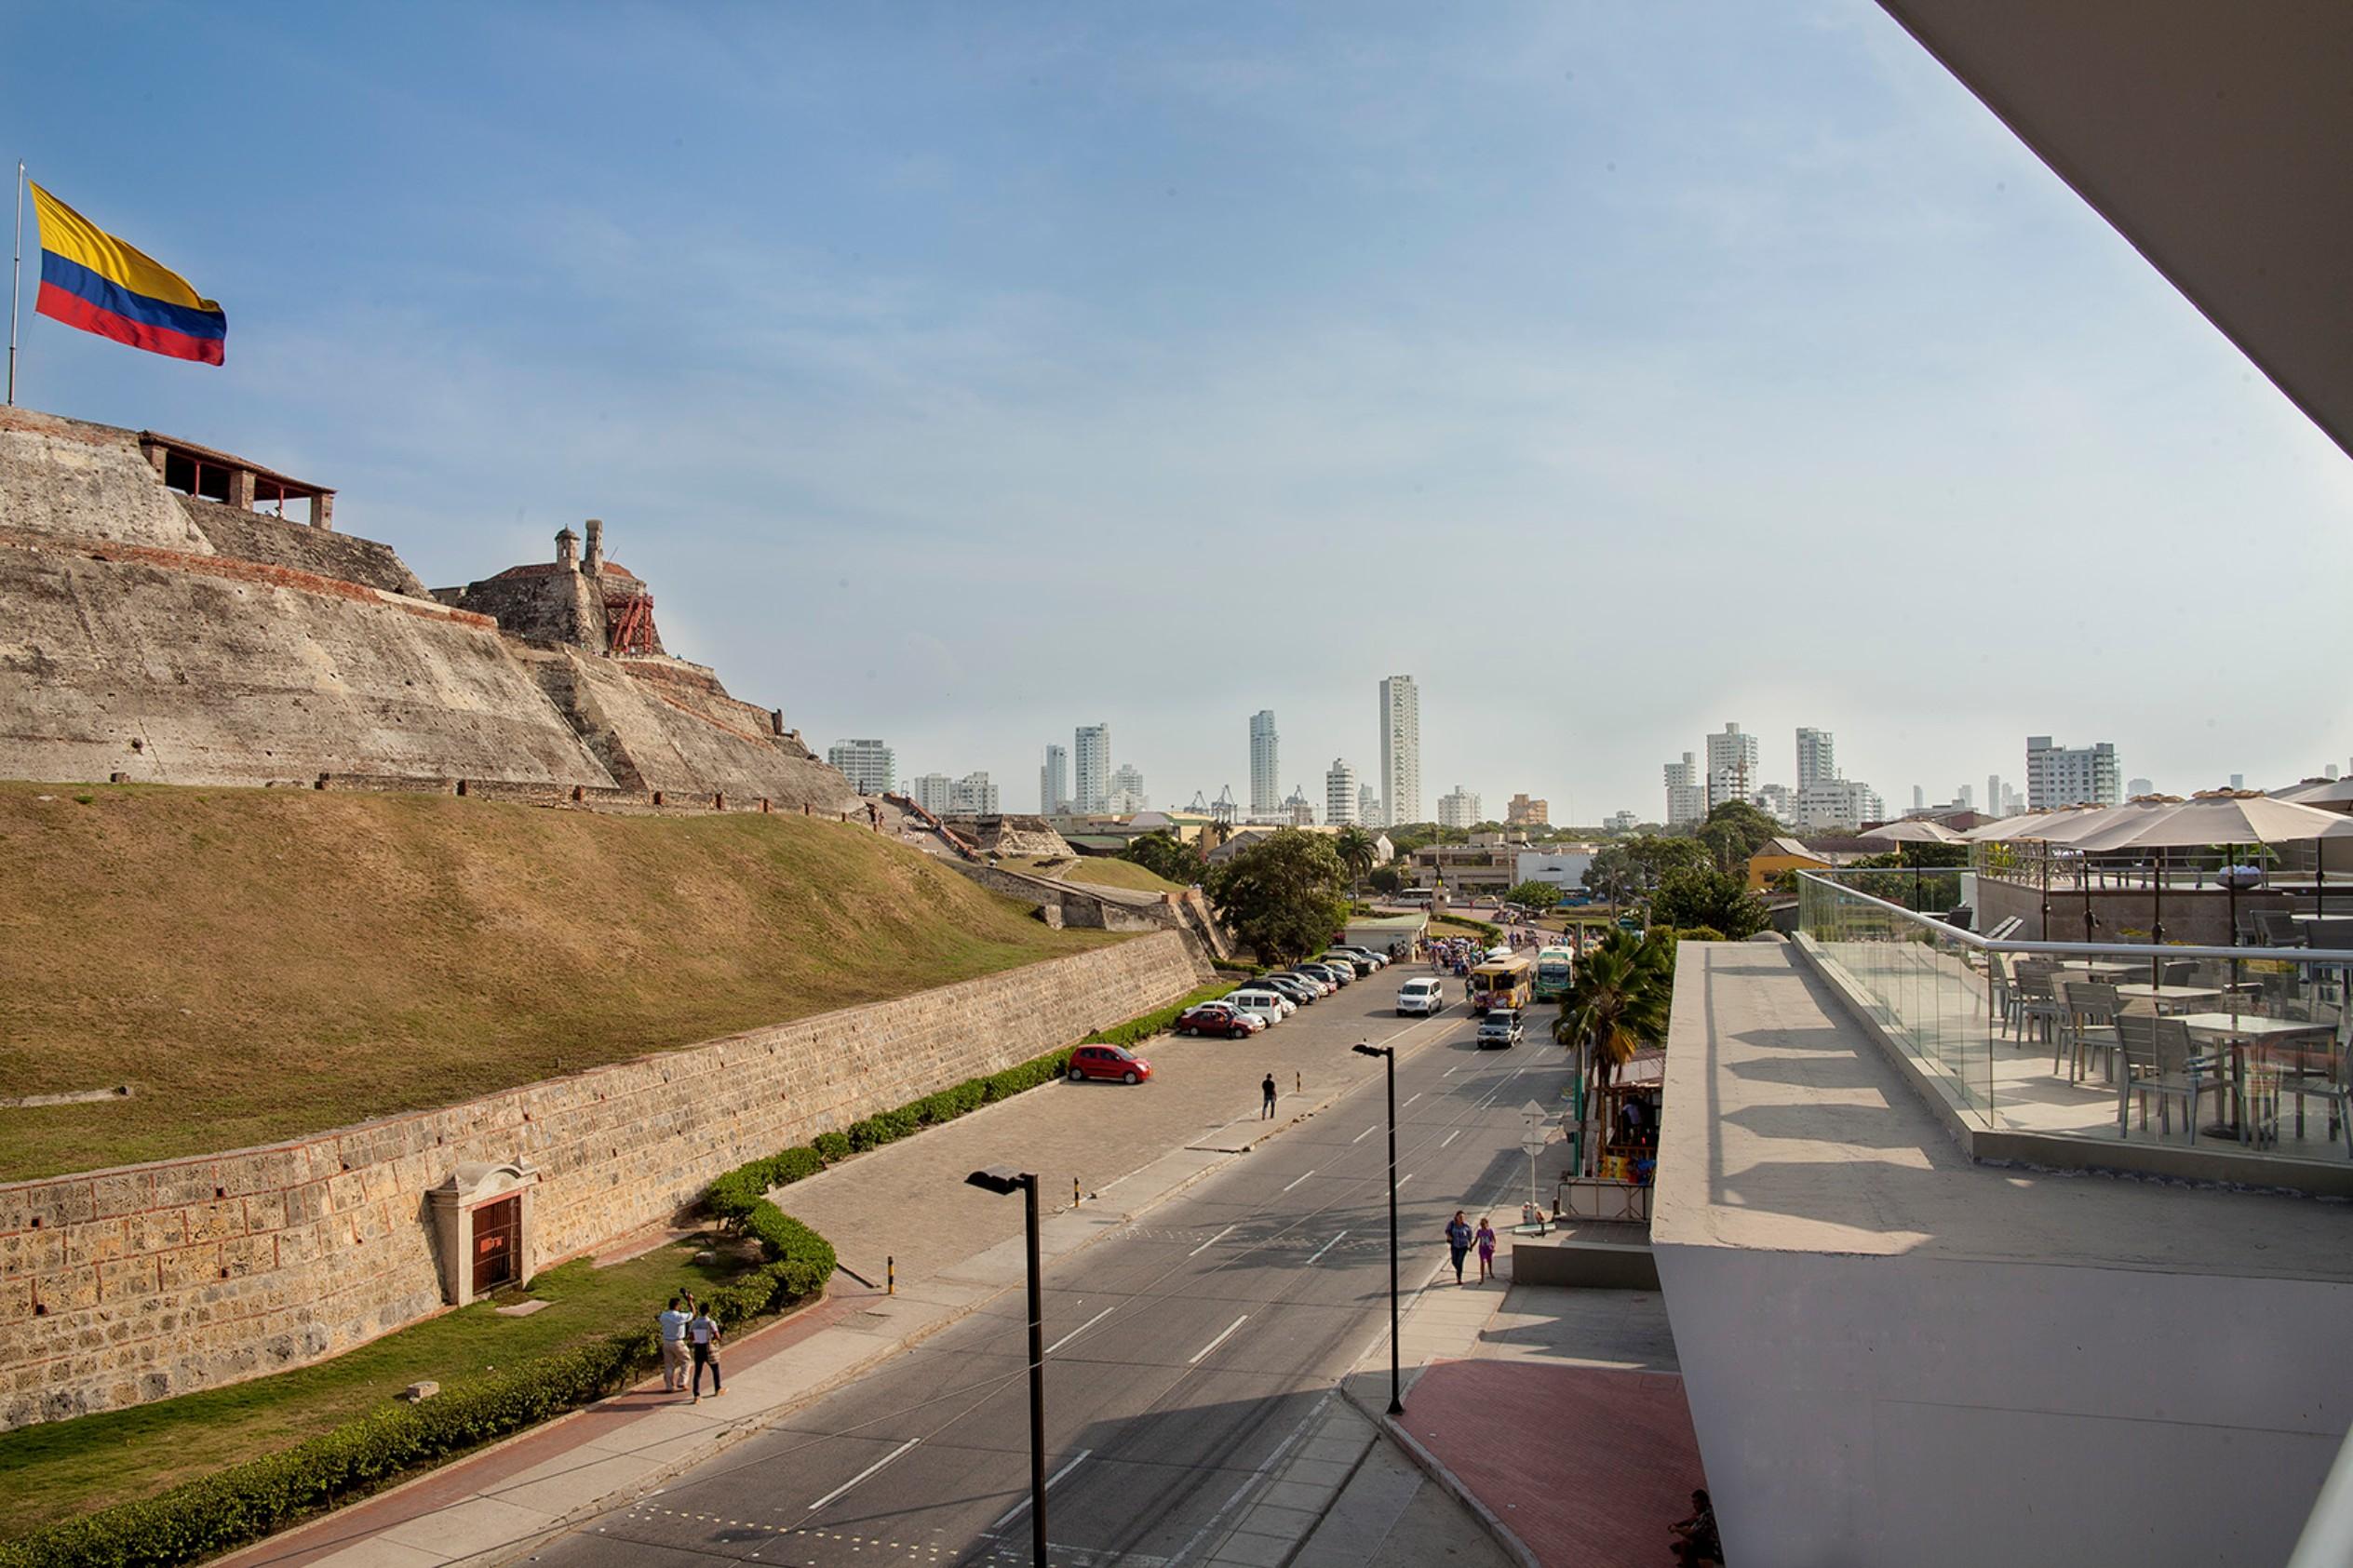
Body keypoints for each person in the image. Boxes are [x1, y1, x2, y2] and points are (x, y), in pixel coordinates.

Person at [1670, 1489, 1722, 1564]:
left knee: (1685, 1544)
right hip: (1707, 1542)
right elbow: (1691, 1520)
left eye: (1696, 1503)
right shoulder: (1705, 1510)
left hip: (1715, 1549)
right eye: (1693, 1503)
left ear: (1704, 1502)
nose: (1694, 1506)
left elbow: (1690, 1533)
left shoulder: (1707, 1516)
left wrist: (1676, 1529)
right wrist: (1678, 1524)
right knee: (1681, 1545)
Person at [687, 1302, 723, 1401]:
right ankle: (717, 1389)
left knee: (697, 1372)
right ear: (708, 1311)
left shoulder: (694, 1323)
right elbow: (716, 1335)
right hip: (708, 1348)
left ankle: (696, 1395)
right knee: (715, 1369)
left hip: (698, 1348)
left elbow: (690, 1336)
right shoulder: (710, 1322)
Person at [657, 1294, 692, 1393]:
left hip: (666, 1342)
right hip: (677, 1342)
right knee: (686, 1360)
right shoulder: (680, 1316)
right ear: (677, 1306)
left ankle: (669, 1386)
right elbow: (693, 1313)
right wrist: (690, 1301)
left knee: (669, 1365)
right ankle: (682, 1381)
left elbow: (659, 1318)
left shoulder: (664, 1315)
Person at [1445, 1212, 1473, 1284]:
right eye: (1460, 1217)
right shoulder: (1452, 1224)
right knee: (1454, 1261)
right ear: (1456, 1217)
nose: (1462, 1219)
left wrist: (1471, 1245)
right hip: (1455, 1245)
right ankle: (1459, 1270)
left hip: (1464, 1246)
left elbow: (1470, 1236)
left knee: (1460, 1261)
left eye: (1463, 1217)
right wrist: (1449, 1236)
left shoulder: (1466, 1226)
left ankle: (1459, 1278)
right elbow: (1447, 1231)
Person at [1474, 1216, 1498, 1283]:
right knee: (1482, 1262)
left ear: (1487, 1224)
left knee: (1489, 1261)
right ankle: (1482, 1278)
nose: (1483, 1226)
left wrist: (1493, 1246)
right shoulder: (1479, 1231)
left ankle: (1490, 1272)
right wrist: (1472, 1246)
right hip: (1482, 1249)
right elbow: (1476, 1239)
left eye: (1484, 1224)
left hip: (1489, 1248)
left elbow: (1493, 1239)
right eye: (1481, 1225)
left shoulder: (1490, 1231)